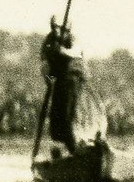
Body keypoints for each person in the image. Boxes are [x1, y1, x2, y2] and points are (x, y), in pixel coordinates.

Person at [40, 17, 103, 153]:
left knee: (70, 118)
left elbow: (76, 51)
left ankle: (78, 149)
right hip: (59, 82)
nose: (58, 31)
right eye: (55, 28)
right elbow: (44, 64)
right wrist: (48, 79)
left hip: (75, 80)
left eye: (62, 28)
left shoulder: (72, 39)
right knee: (57, 124)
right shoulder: (49, 42)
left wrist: (62, 51)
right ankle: (71, 151)